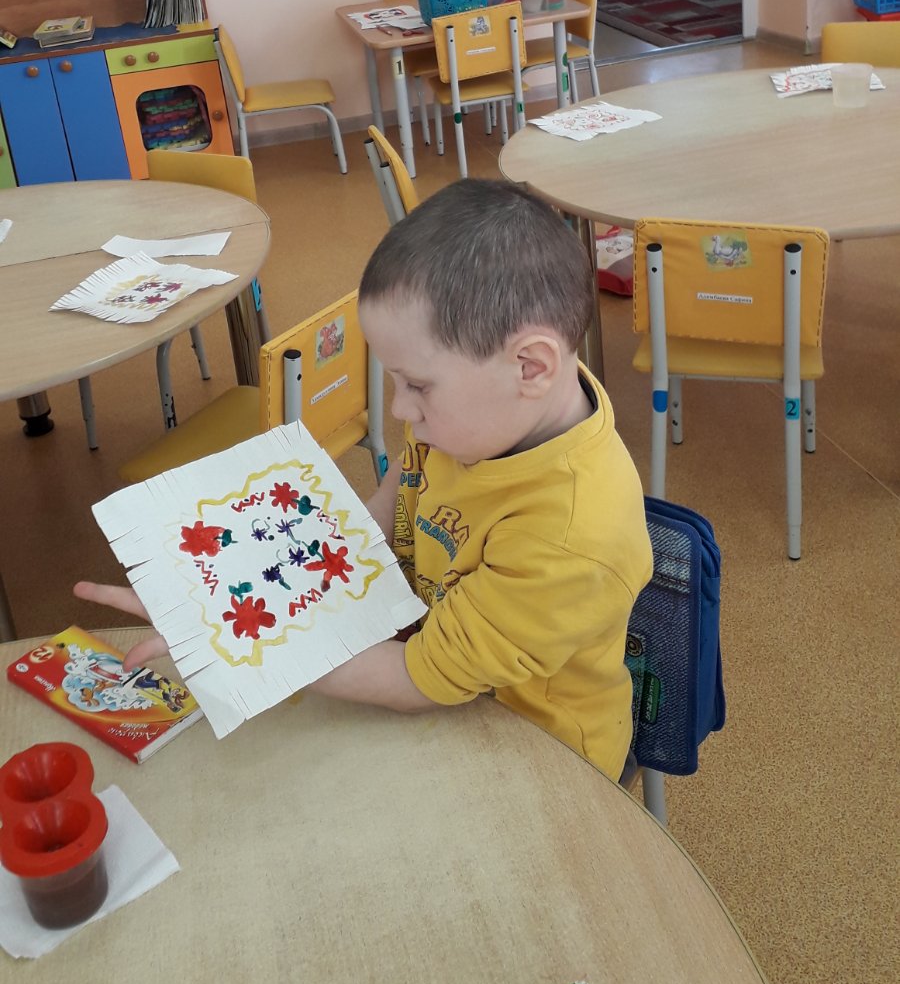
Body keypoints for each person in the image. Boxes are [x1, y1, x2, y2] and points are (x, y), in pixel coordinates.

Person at [76, 180, 652, 780]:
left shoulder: (569, 537)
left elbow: (416, 680)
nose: (399, 409)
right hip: (435, 678)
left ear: (531, 366)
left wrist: (236, 644)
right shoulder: (481, 416)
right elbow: (390, 506)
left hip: (542, 761)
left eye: (417, 385)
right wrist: (232, 591)